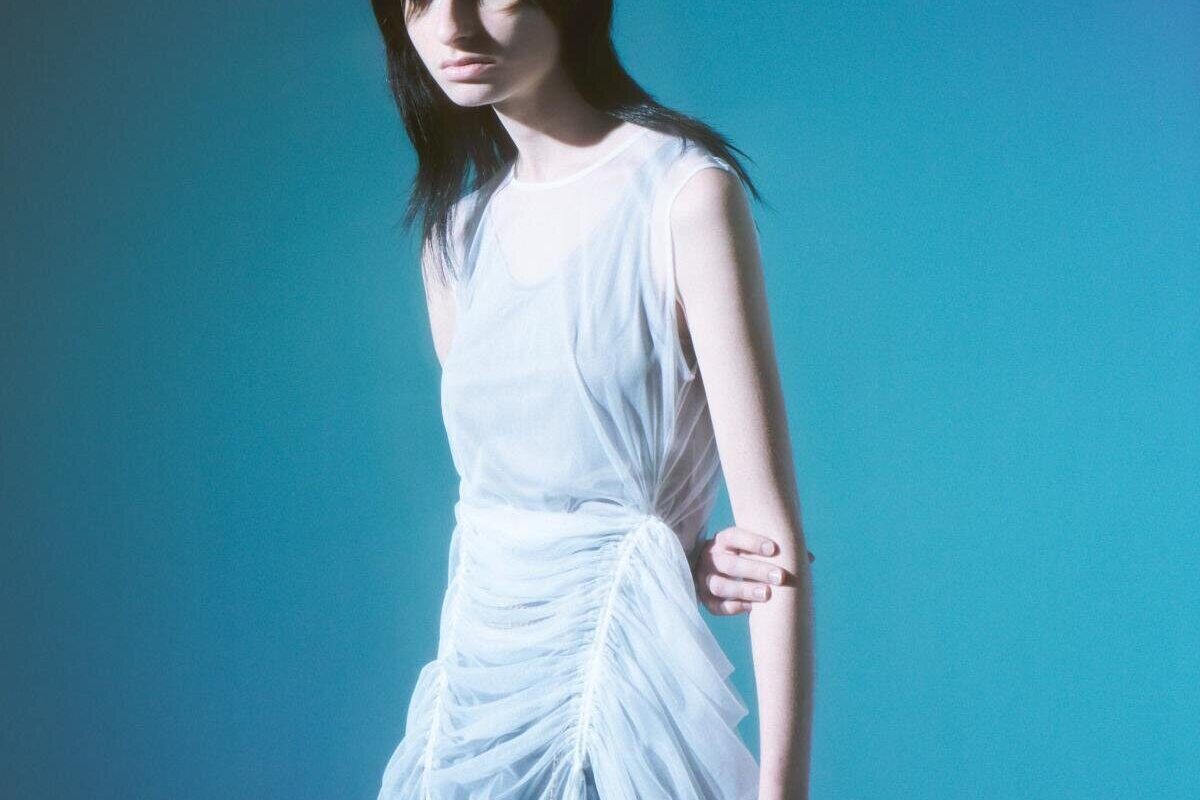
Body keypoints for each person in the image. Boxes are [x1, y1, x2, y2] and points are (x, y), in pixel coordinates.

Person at [370, 1, 815, 798]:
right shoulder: (455, 240)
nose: (453, 27)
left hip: (616, 721)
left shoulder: (683, 196)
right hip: (470, 735)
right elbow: (520, 506)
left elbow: (772, 542)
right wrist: (678, 564)